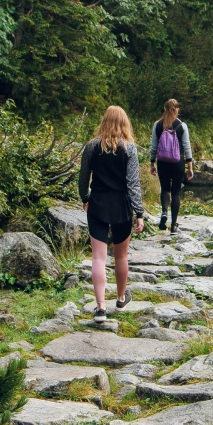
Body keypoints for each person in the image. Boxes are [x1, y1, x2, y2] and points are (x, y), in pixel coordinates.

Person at [78, 105, 144, 322]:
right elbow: (133, 184)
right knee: (121, 256)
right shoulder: (130, 149)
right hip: (121, 206)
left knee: (98, 257)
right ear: (124, 123)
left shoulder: (91, 147)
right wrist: (139, 212)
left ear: (104, 122)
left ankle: (100, 308)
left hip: (97, 203)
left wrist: (85, 198)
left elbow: (83, 178)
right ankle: (121, 297)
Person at [150, 98, 194, 233]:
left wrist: (152, 163)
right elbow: (187, 147)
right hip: (177, 162)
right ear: (177, 110)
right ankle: (174, 225)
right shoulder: (182, 126)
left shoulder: (157, 125)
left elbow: (154, 146)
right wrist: (190, 167)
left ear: (165, 109)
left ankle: (164, 212)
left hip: (162, 161)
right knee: (175, 192)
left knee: (164, 189)